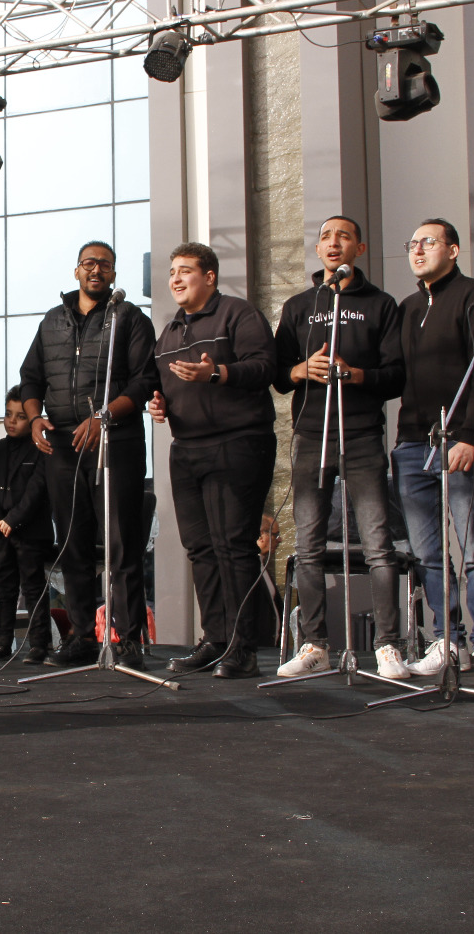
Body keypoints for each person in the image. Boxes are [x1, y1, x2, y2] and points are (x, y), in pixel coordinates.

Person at [273, 217, 407, 679]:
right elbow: (278, 374)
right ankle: (315, 644)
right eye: (326, 237)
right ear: (317, 250)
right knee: (308, 545)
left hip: (362, 434)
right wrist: (300, 370)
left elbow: (397, 375)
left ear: (359, 249)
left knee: (378, 546)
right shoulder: (300, 305)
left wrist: (356, 375)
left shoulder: (380, 304)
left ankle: (388, 645)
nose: (334, 243)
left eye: (344, 236)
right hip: (312, 435)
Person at [18, 241, 157, 669]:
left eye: (105, 265)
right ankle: (80, 636)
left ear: (114, 274)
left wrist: (103, 416)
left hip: (116, 443)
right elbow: (30, 377)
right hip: (63, 446)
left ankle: (128, 640)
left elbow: (144, 381)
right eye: (89, 263)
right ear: (76, 271)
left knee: (121, 545)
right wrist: (34, 418)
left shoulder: (128, 317)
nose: (97, 270)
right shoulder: (52, 320)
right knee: (72, 545)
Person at [149, 242, 279, 678]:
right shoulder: (169, 332)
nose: (176, 278)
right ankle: (216, 639)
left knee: (233, 546)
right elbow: (162, 386)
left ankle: (243, 648)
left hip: (237, 443)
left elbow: (264, 367)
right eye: (172, 271)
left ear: (210, 276)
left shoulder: (238, 314)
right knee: (200, 548)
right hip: (186, 448)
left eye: (185, 270)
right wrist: (159, 404)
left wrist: (217, 373)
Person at [390, 219, 474, 685]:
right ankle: (447, 640)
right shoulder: (407, 307)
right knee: (428, 553)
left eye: (428, 242)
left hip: (458, 439)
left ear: (453, 250)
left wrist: (470, 434)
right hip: (412, 443)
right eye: (412, 243)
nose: (417, 250)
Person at [0, 388, 53, 662]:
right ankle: (2, 643)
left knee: (33, 587)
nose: (12, 421)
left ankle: (39, 644)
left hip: (30, 531)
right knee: (4, 588)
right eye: (9, 414)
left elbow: (37, 491)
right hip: (0, 532)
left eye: (20, 416)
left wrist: (12, 520)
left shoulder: (41, 449)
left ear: (32, 419)